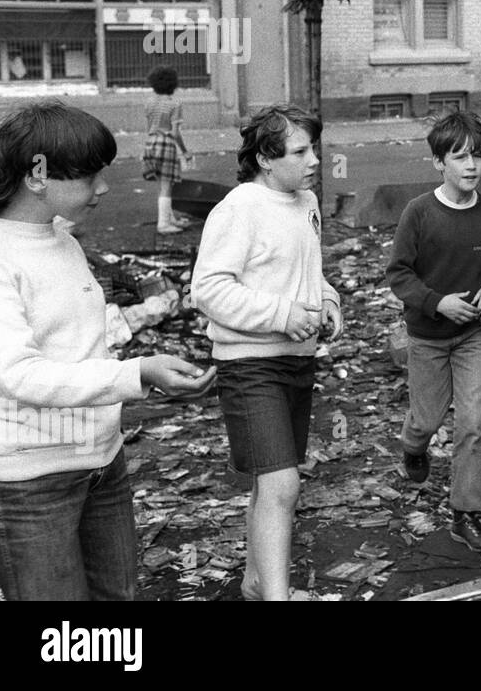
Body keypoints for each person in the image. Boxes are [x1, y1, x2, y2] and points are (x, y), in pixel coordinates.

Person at [0, 101, 210, 600]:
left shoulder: (61, 241)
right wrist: (137, 374)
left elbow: (76, 346)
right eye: (90, 175)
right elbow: (19, 374)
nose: (104, 187)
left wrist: (139, 371)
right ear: (38, 173)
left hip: (101, 462)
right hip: (30, 480)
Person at [191, 104, 342, 601]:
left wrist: (328, 299)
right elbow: (208, 289)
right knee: (283, 486)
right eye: (300, 151)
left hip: (298, 360)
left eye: (314, 148)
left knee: (267, 483)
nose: (315, 160)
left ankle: (257, 582)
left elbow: (308, 270)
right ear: (264, 158)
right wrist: (282, 314)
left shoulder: (305, 202)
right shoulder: (239, 209)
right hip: (248, 365)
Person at [385, 111, 481, 551]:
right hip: (427, 337)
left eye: (478, 155)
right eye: (460, 157)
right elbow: (398, 273)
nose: (471, 166)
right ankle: (412, 445)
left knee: (472, 421)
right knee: (427, 419)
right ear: (439, 162)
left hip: (475, 336)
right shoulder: (419, 213)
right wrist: (436, 302)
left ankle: (465, 512)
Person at [142, 66, 194, 234]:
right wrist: (185, 152)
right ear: (173, 84)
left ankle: (169, 218)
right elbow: (174, 132)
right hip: (166, 144)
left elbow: (149, 126)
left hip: (150, 143)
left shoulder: (149, 103)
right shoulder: (175, 104)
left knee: (162, 184)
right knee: (167, 186)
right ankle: (163, 224)